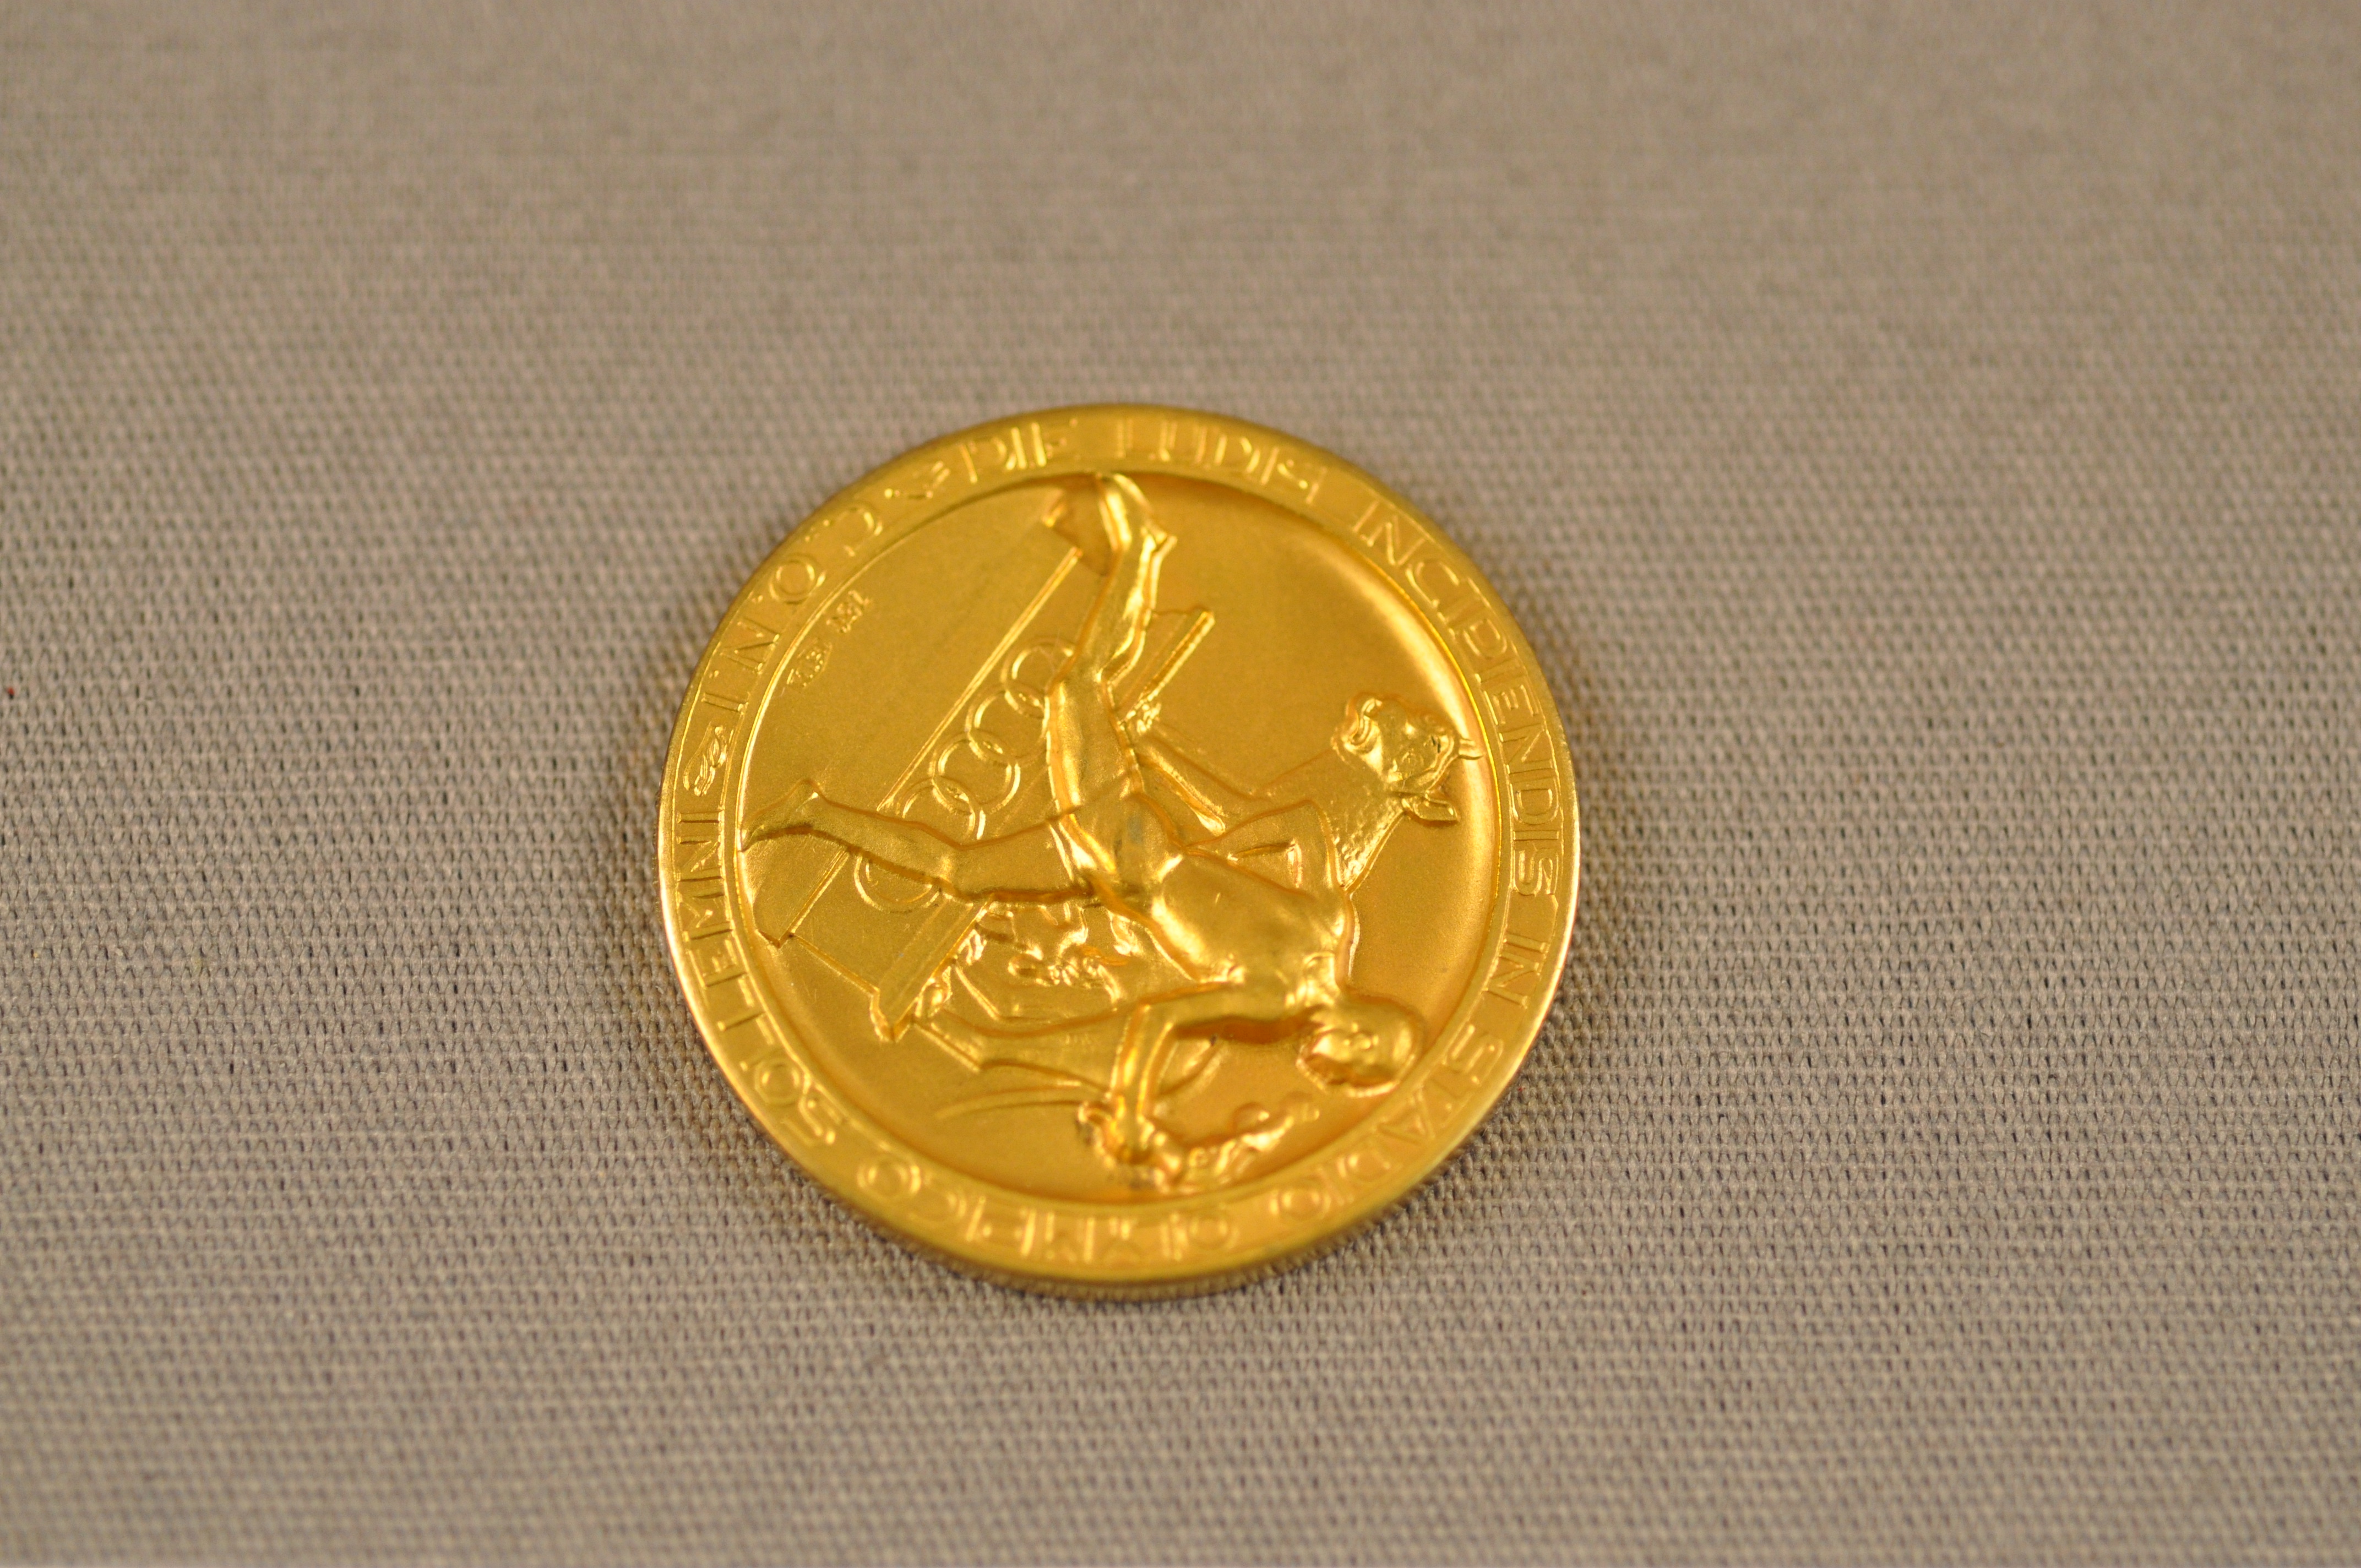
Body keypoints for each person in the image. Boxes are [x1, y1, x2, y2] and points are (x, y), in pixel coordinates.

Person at [742, 475, 1445, 1180]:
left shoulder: (1333, 922)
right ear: (1361, 1034)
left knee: (960, 870)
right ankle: (1140, 551)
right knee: (1075, 687)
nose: (1328, 1071)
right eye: (1349, 1067)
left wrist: (1229, 843)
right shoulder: (1274, 997)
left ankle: (811, 811)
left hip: (1104, 867)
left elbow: (1304, 825)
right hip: (1122, 842)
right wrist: (1134, 1108)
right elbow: (1155, 1022)